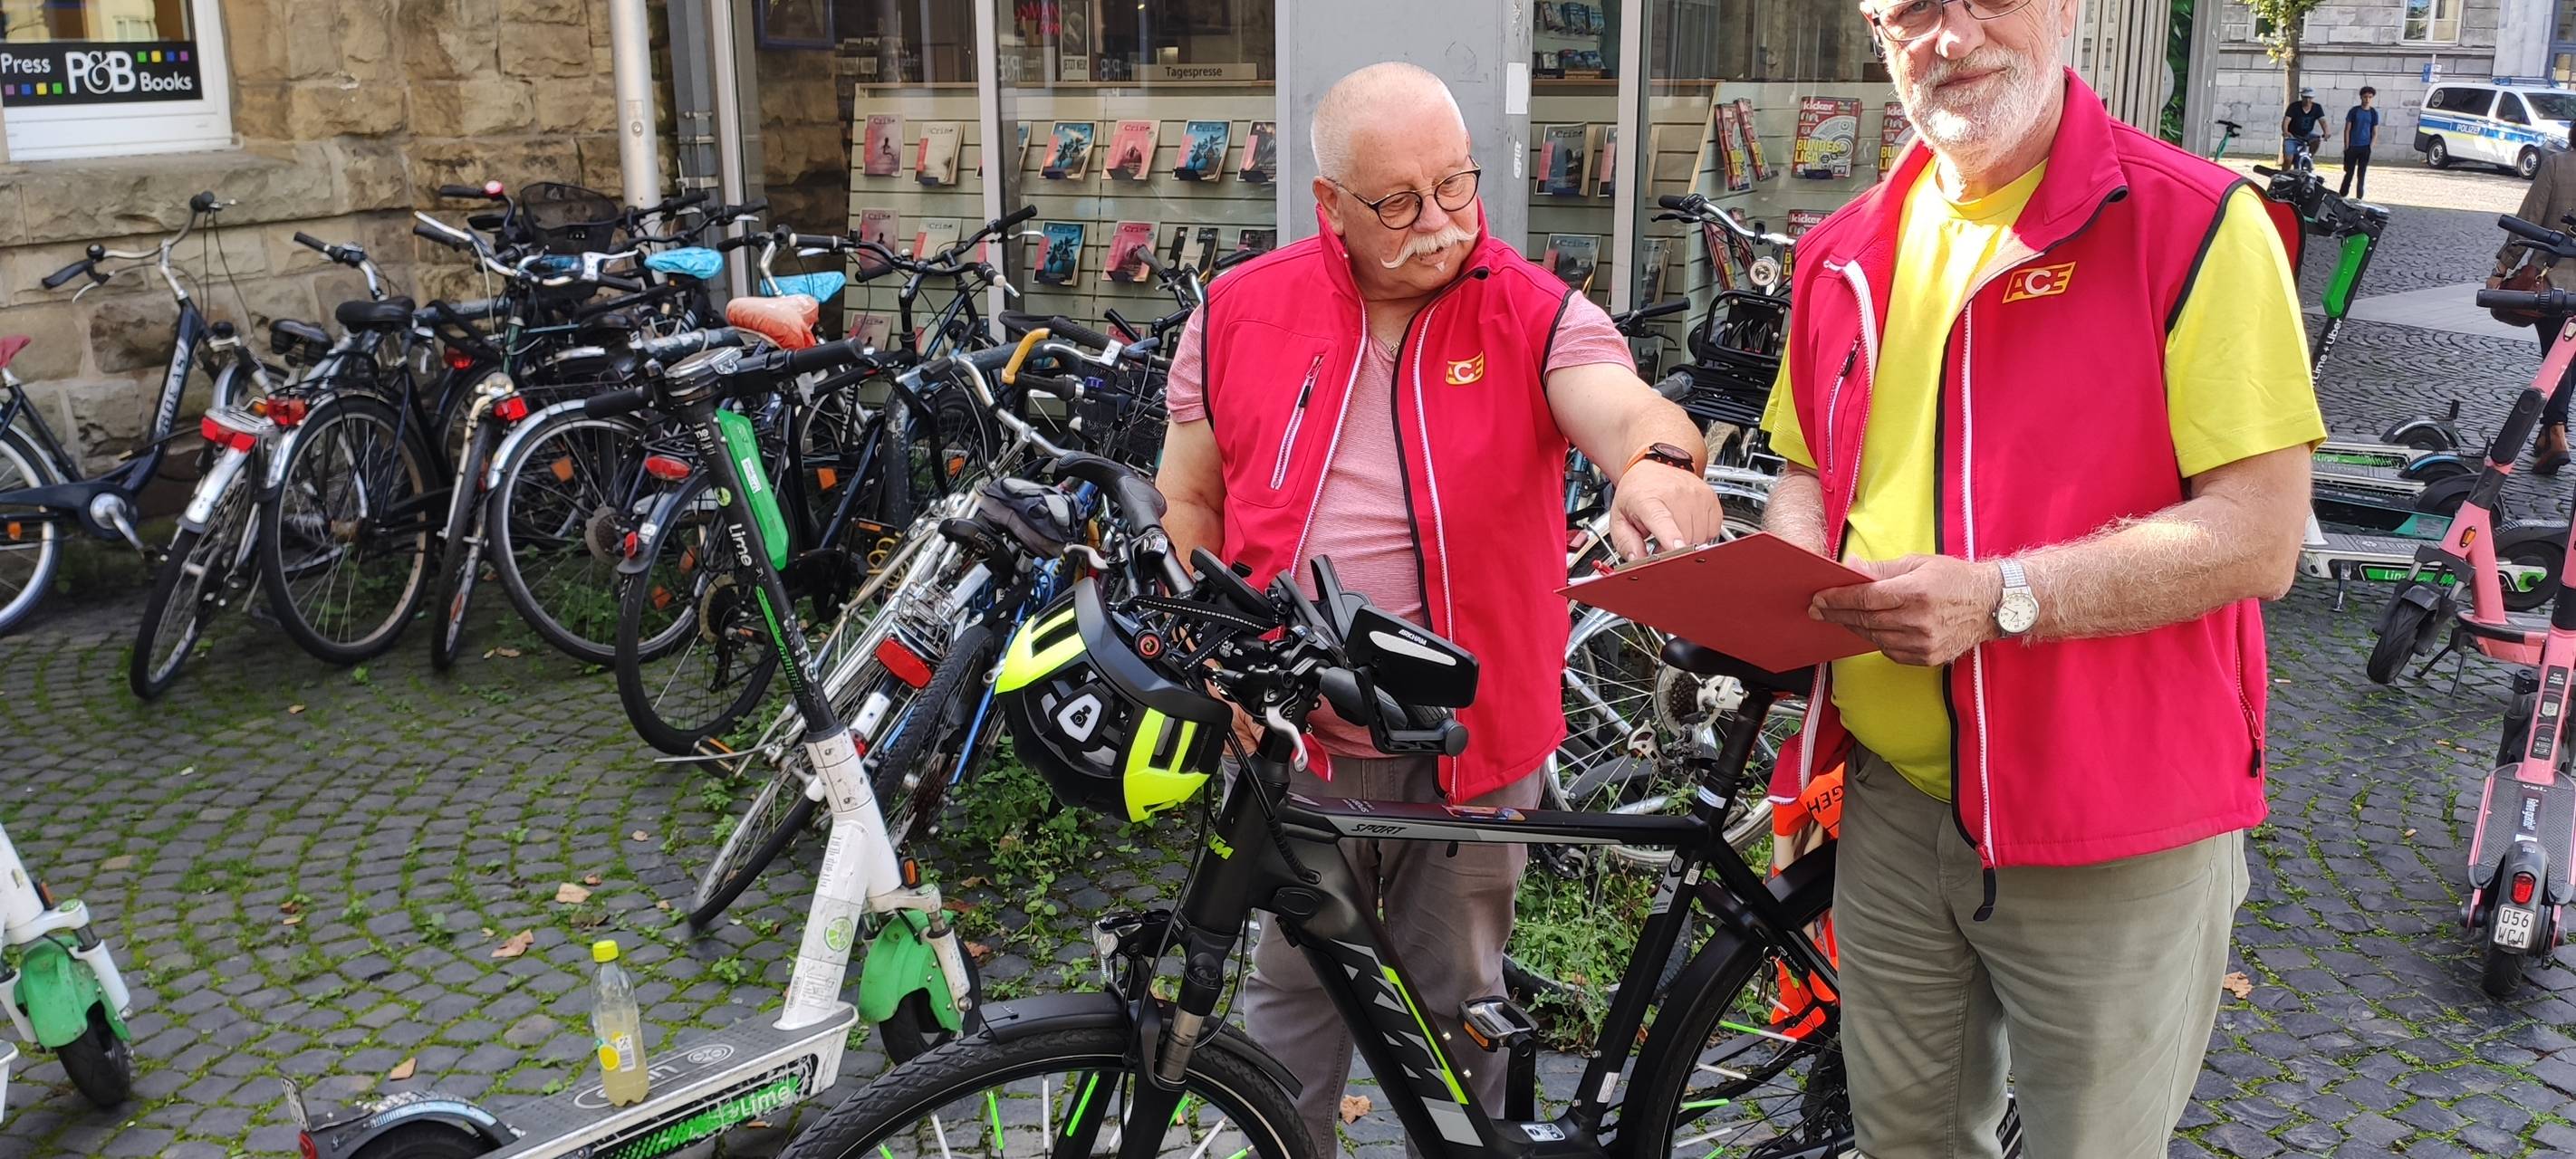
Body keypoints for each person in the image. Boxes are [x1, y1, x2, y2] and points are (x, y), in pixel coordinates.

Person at [1757, 0, 2322, 1154]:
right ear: (1878, 31)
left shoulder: (2197, 222)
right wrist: (1793, 563)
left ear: (2064, 8)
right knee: (1906, 1140)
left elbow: (2262, 534)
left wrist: (2004, 594)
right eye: (1913, 9)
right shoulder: (1846, 248)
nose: (1952, 35)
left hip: (2116, 823)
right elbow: (1807, 464)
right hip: (1897, 809)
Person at [1154, 62, 1727, 1156]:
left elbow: (1619, 402)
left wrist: (1656, 463)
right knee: (1287, 1016)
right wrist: (1208, 652)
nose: (1440, 224)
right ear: (1329, 204)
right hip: (1290, 739)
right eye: (1399, 202)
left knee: (1461, 1019)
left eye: (1456, 187)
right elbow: (1190, 492)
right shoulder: (1238, 309)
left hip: (1470, 748)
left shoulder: (1527, 306)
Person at [2494, 124, 2576, 474]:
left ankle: (2556, 432)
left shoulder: (2558, 165)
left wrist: (2502, 267)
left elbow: (2528, 220)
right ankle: (2549, 434)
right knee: (2569, 360)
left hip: (2553, 284)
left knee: (2556, 359)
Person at [2340, 86, 2379, 199]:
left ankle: (2359, 198)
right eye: (2365, 97)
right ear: (2361, 97)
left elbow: (2375, 132)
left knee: (2361, 174)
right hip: (2352, 146)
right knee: (2349, 172)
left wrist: (2370, 147)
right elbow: (2347, 129)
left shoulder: (2373, 113)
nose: (2367, 99)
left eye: (2370, 97)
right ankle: (2343, 193)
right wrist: (2347, 146)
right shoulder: (2354, 111)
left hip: (2365, 147)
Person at [2283, 86, 2328, 164]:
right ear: (2302, 97)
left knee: (2317, 139)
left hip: (2307, 134)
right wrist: (2285, 131)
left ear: (2313, 98)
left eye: (2310, 98)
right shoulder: (2294, 107)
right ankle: (2284, 172)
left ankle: (2310, 157)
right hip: (2293, 135)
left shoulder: (2317, 107)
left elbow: (2323, 121)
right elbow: (2286, 120)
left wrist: (2326, 132)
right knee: (2288, 159)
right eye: (2305, 98)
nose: (2308, 100)